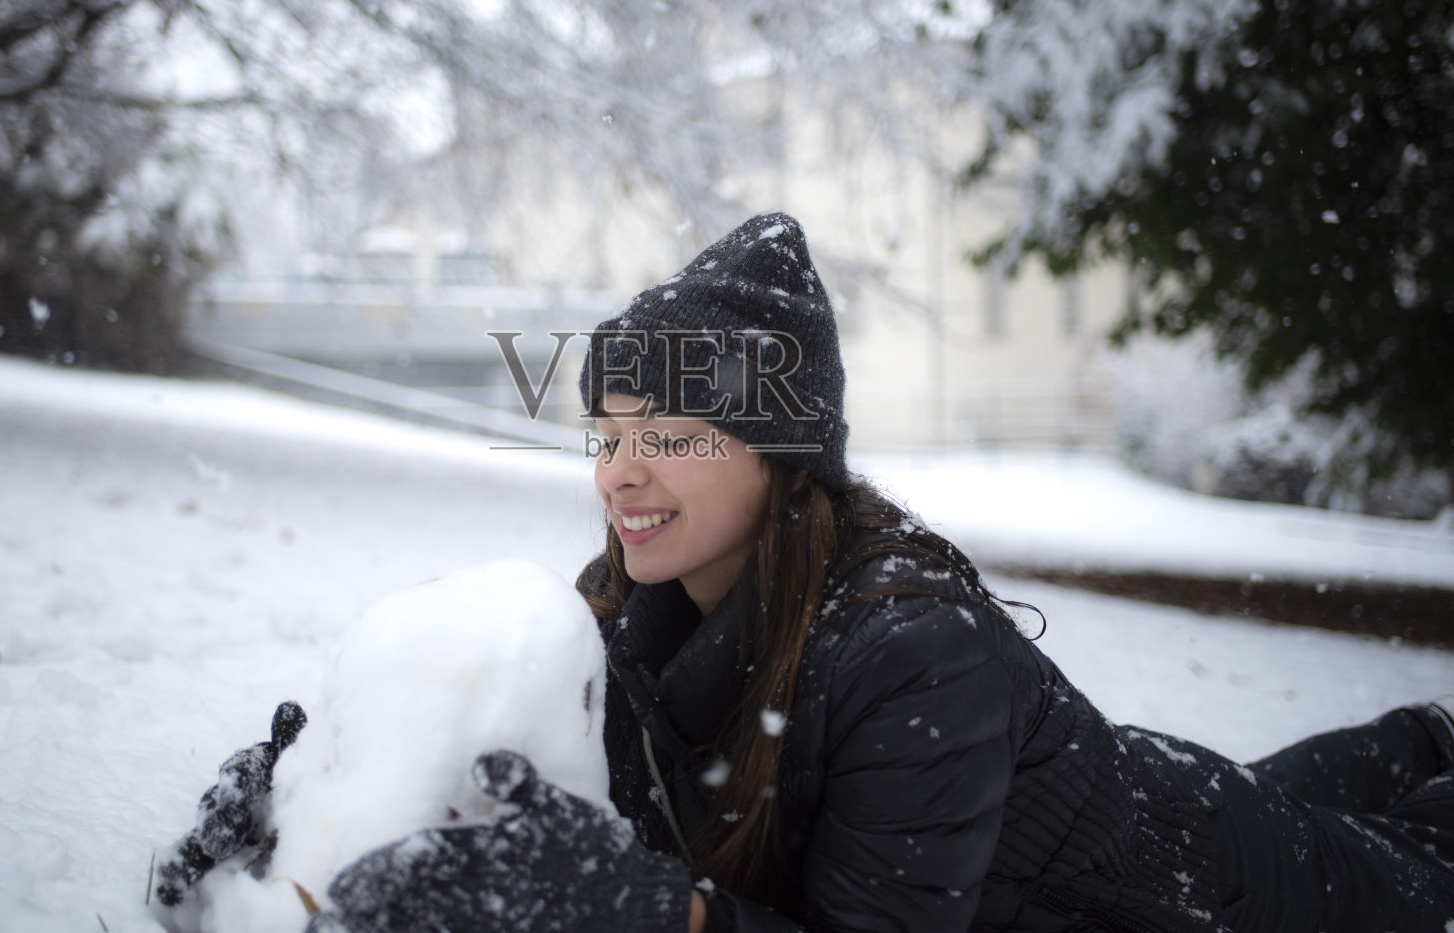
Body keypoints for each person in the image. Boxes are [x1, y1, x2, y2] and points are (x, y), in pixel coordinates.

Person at [157, 213, 1454, 933]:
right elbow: (540, 808)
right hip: (1085, 816)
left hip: (1188, 892)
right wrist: (310, 806)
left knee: (1410, 872)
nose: (620, 474)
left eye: (673, 436)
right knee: (1398, 765)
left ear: (782, 461)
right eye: (608, 435)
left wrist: (637, 913)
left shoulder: (911, 655)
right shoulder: (630, 615)